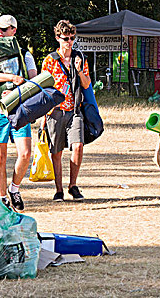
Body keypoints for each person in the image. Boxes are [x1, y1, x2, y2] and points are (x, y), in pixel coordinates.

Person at [0, 15, 37, 211]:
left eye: (4, 29)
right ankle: (2, 198)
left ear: (14, 30)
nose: (0, 33)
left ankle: (14, 188)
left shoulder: (24, 54)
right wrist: (11, 78)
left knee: (25, 153)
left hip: (19, 109)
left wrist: (16, 91)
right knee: (0, 156)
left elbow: (34, 81)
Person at [41, 20, 91, 202]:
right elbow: (42, 86)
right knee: (56, 152)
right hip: (54, 111)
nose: (69, 42)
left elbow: (86, 84)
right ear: (57, 38)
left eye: (72, 38)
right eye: (65, 38)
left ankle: (73, 186)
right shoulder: (50, 60)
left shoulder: (80, 58)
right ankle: (58, 189)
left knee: (77, 146)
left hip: (74, 109)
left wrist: (78, 70)